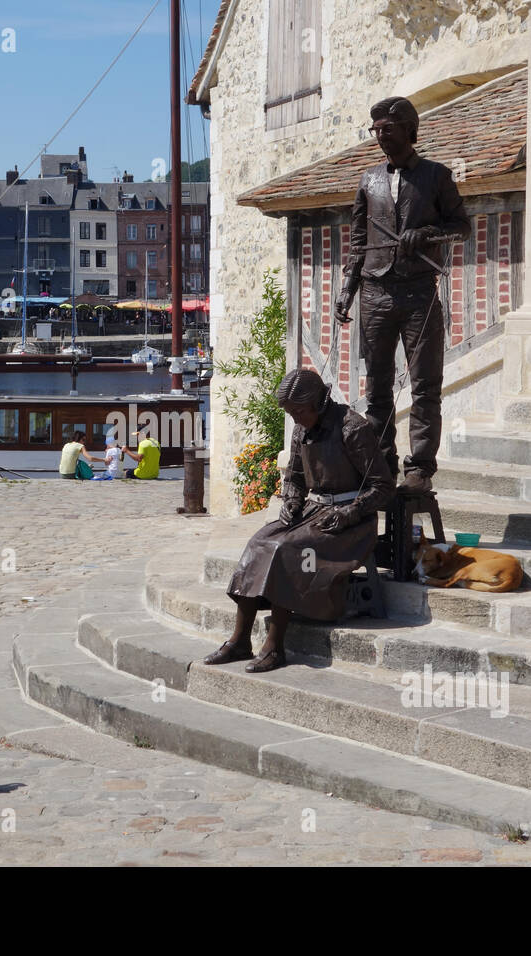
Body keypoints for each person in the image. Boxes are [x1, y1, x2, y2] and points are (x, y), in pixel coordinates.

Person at [204, 368, 394, 673]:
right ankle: (240, 639)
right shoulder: (302, 430)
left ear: (318, 403)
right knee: (259, 543)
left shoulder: (352, 429)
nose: (295, 419)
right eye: (291, 413)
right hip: (312, 512)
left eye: (299, 411)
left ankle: (275, 645)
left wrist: (350, 513)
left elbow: (382, 486)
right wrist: (291, 501)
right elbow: (293, 477)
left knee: (286, 549)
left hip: (351, 524)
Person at [336, 96, 470, 494]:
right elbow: (358, 242)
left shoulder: (436, 176)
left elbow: (461, 227)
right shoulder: (368, 180)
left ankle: (420, 469)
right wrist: (348, 291)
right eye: (374, 129)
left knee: (425, 385)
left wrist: (426, 234)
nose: (379, 136)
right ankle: (381, 464)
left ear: (409, 130)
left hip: (418, 295)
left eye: (387, 129)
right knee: (376, 388)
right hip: (375, 293)